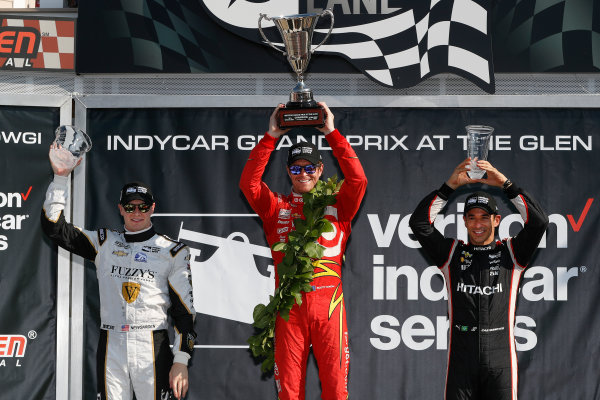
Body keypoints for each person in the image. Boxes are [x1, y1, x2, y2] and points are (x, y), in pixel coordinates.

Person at [41, 145, 196, 400]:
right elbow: (54, 228)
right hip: (112, 341)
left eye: (143, 207)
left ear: (152, 208)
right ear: (120, 208)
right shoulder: (104, 243)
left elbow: (185, 311)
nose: (137, 213)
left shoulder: (172, 250)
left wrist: (181, 360)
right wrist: (60, 177)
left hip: (152, 343)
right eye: (130, 206)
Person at [240, 103, 367, 399]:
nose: (303, 174)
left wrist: (331, 132)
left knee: (336, 390)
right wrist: (271, 136)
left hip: (329, 308)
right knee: (290, 393)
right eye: (296, 168)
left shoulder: (339, 205)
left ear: (321, 169)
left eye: (310, 168)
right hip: (289, 312)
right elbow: (248, 184)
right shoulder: (277, 208)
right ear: (288, 171)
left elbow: (358, 180)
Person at [409, 158, 549, 400]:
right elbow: (419, 223)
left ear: (496, 220)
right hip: (461, 360)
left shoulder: (512, 253)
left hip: (501, 360)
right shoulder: (451, 253)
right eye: (471, 217)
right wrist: (449, 187)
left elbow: (539, 222)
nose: (477, 224)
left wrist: (506, 185)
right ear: (463, 221)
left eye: (485, 217)